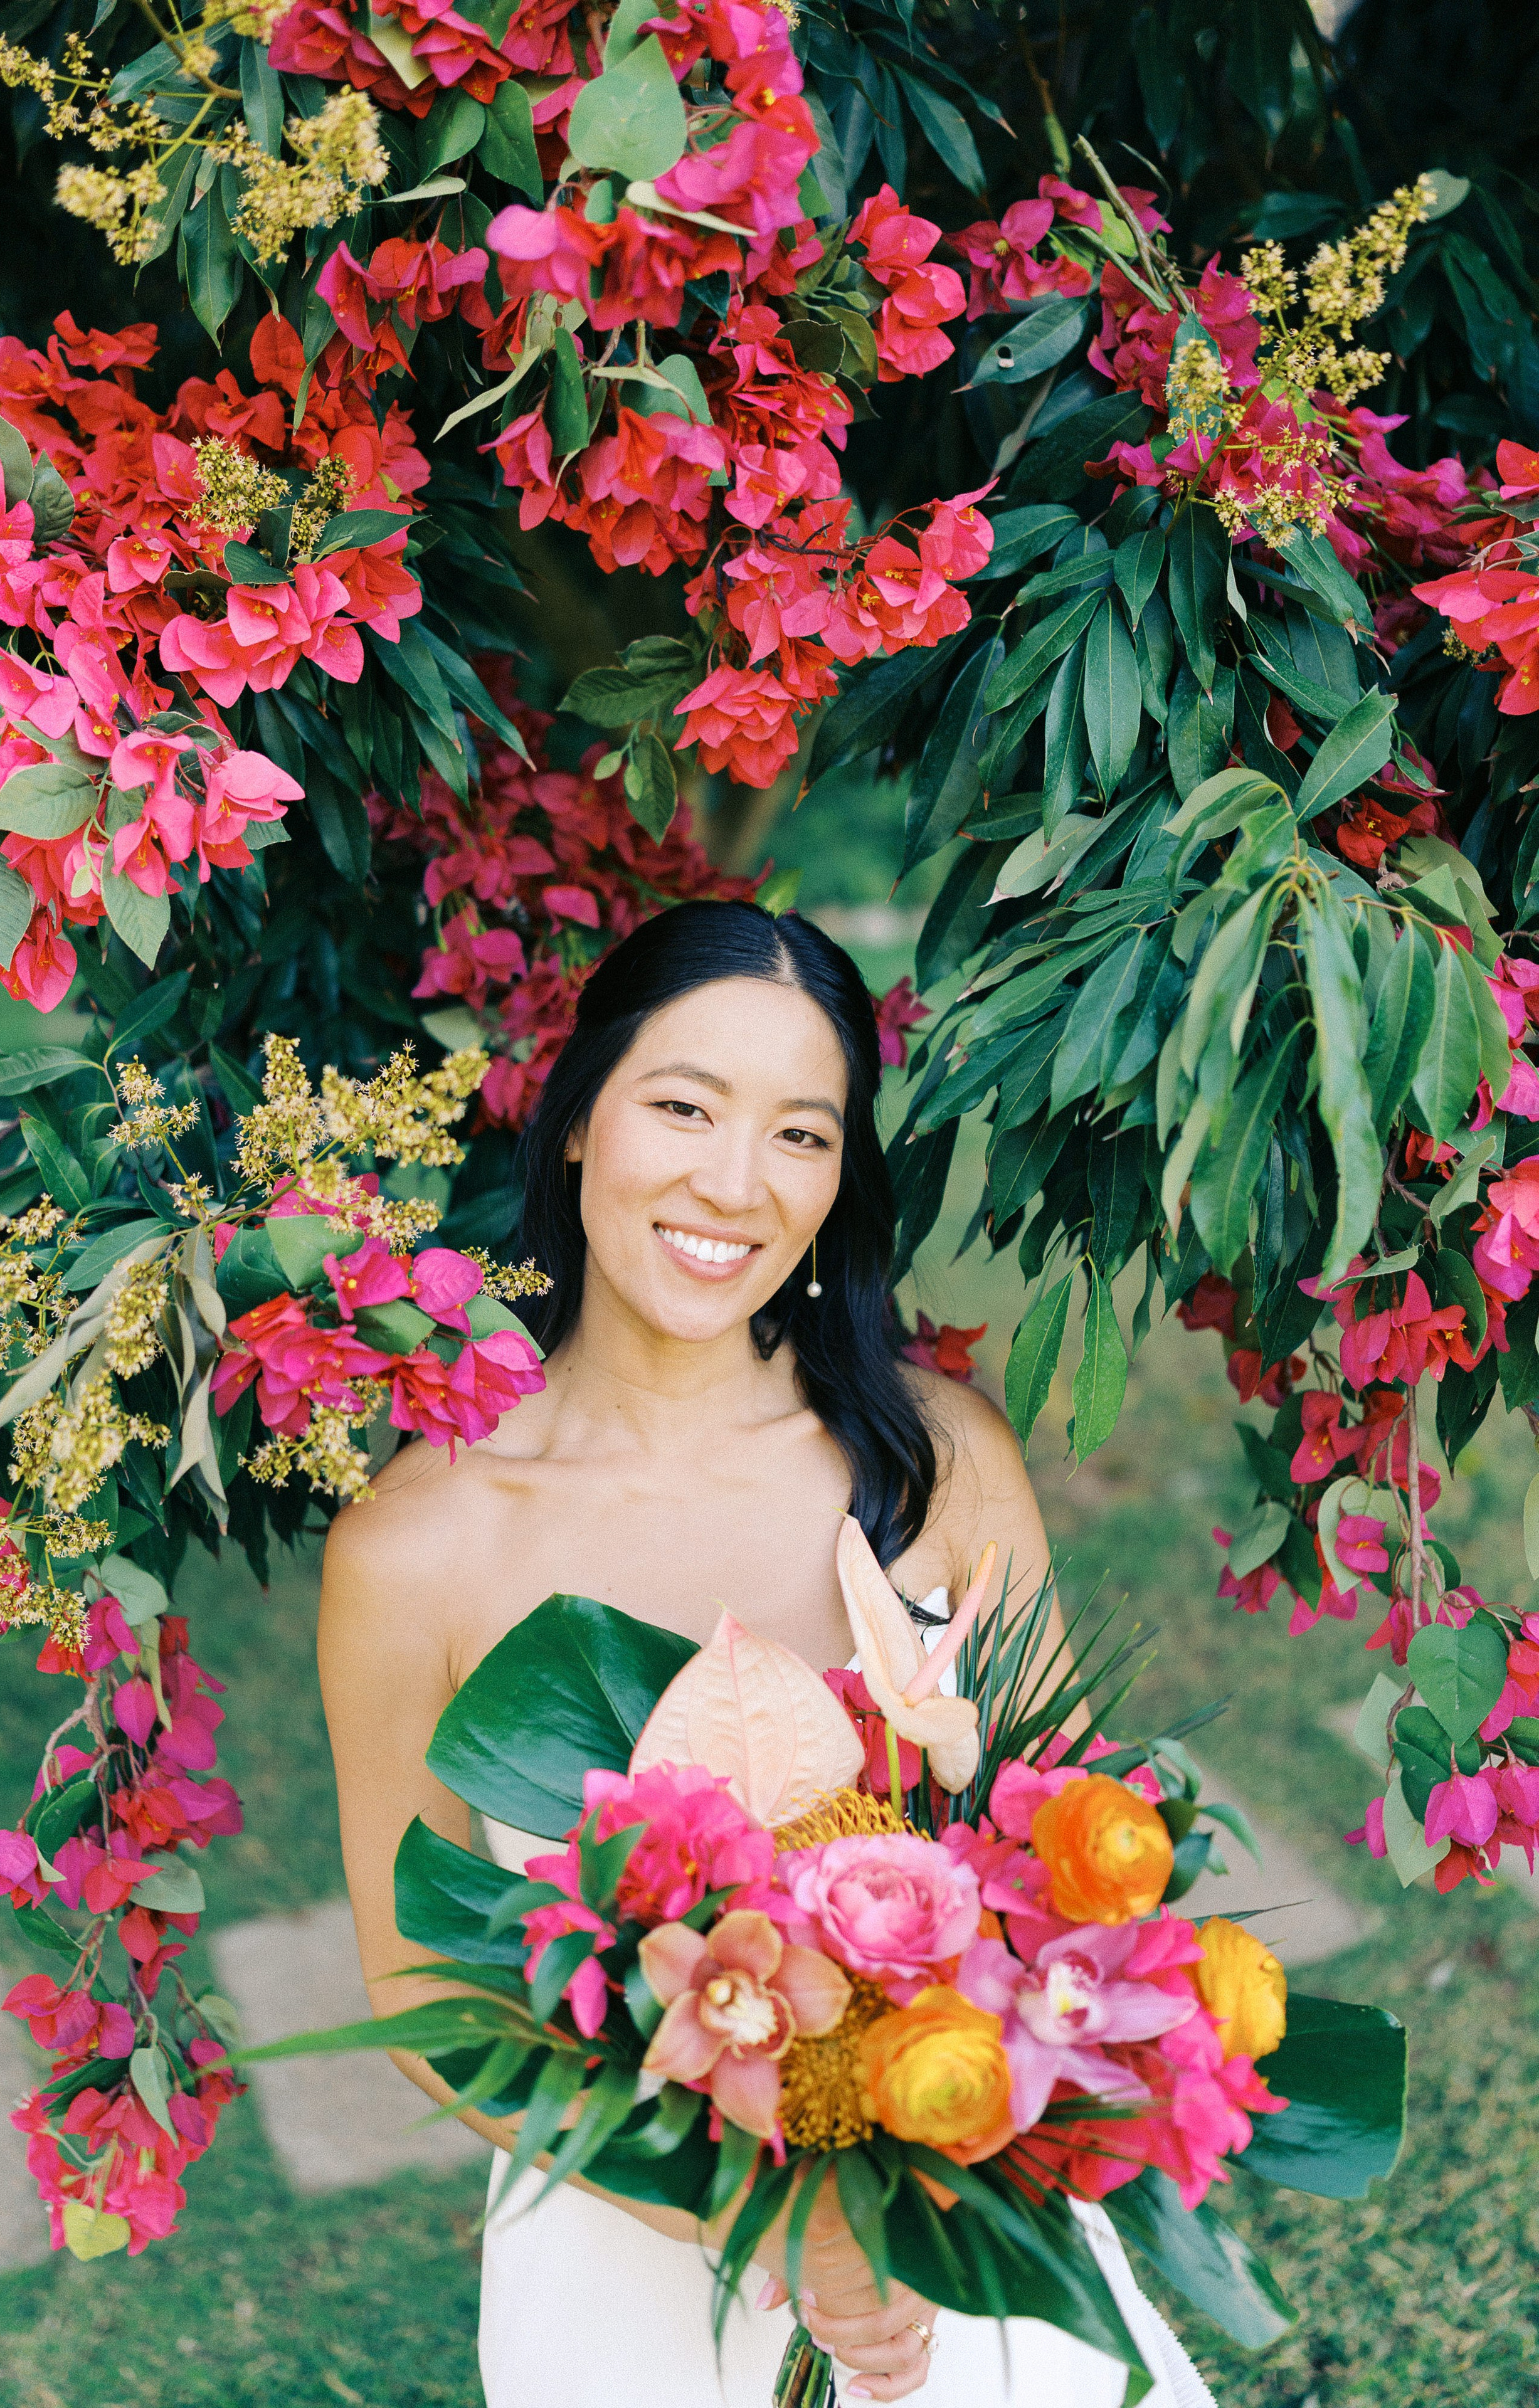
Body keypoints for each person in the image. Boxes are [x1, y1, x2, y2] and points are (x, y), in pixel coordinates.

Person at [319, 900, 1215, 2408]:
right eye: (681, 1107)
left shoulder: (940, 1461)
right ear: (581, 1122)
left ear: (838, 1178)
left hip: (957, 2221)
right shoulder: (419, 1549)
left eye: (801, 1135)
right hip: (633, 2253)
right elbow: (435, 2003)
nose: (733, 1183)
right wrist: (774, 2223)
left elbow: (1078, 1866)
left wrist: (948, 2166)